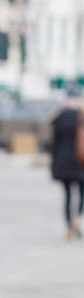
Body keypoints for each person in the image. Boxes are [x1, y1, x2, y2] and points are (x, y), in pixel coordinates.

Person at [50, 85, 84, 239]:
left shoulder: (59, 116)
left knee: (68, 195)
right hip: (80, 160)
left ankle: (69, 226)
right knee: (82, 193)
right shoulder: (81, 114)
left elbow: (53, 143)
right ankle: (77, 217)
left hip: (63, 162)